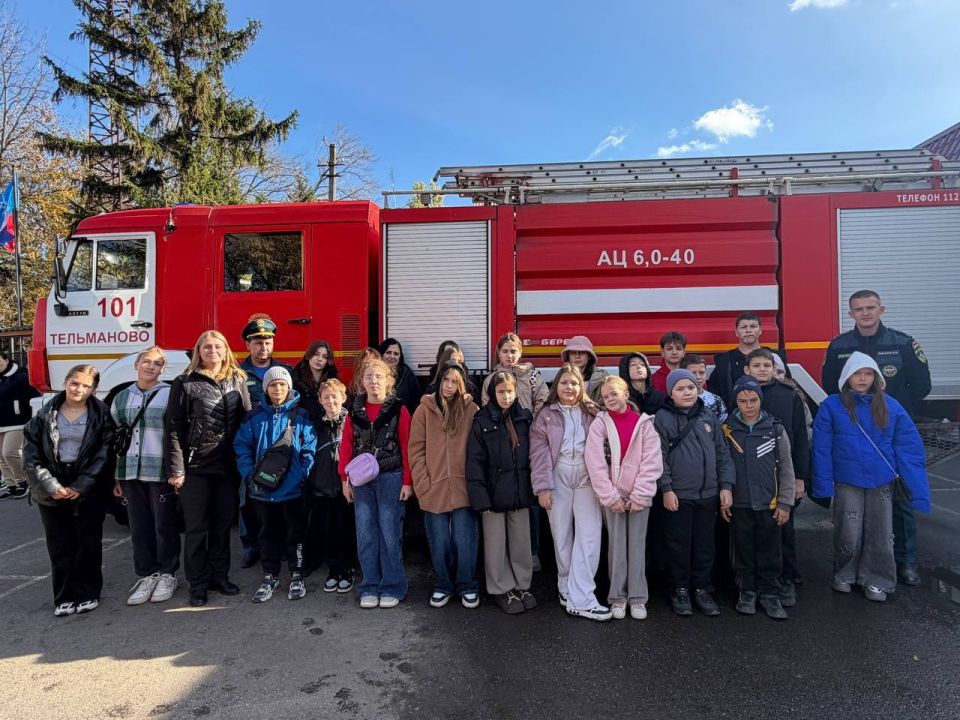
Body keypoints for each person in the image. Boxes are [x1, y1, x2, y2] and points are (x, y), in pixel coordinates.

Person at [821, 290, 931, 587]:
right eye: (859, 309)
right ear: (851, 313)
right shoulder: (839, 346)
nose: (865, 313)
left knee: (900, 495)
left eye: (870, 308)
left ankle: (905, 560)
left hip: (891, 432)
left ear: (881, 309)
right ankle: (855, 567)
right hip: (855, 434)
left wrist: (891, 414)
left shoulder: (903, 343)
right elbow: (831, 385)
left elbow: (922, 386)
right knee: (856, 508)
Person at [812, 352, 930, 602]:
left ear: (876, 377)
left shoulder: (890, 405)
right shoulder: (832, 405)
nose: (862, 379)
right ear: (847, 377)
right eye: (857, 373)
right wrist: (822, 484)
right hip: (847, 480)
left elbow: (907, 446)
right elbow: (821, 448)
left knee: (881, 532)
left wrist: (916, 486)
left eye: (868, 374)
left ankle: (877, 579)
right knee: (848, 530)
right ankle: (844, 573)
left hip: (881, 480)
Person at [166, 330, 251, 607]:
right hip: (196, 467)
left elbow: (247, 420)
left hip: (227, 468)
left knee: (222, 526)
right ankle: (197, 584)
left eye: (217, 346)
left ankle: (220, 576)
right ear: (198, 351)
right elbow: (175, 428)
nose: (212, 351)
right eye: (206, 346)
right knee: (196, 529)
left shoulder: (238, 380)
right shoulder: (185, 383)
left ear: (226, 350)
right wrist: (177, 469)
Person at [22, 365, 112, 617]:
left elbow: (105, 455)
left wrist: (80, 485)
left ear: (93, 389)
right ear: (66, 382)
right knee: (59, 544)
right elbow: (31, 457)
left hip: (87, 484)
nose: (79, 389)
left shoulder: (102, 415)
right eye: (75, 383)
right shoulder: (43, 415)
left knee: (88, 541)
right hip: (51, 481)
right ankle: (64, 596)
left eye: (85, 386)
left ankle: (88, 593)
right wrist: (51, 486)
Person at [655, 369, 735, 617]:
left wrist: (726, 485)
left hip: (708, 494)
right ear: (670, 392)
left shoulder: (708, 415)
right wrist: (666, 488)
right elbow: (659, 458)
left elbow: (722, 453)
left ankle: (702, 588)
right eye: (680, 389)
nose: (687, 392)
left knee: (704, 545)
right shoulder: (663, 418)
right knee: (678, 544)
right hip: (679, 494)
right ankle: (679, 588)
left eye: (690, 387)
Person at [530, 364, 607, 621]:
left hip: (587, 479)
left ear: (581, 386)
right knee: (561, 536)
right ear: (556, 386)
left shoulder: (594, 413)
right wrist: (542, 487)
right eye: (564, 383)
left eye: (574, 383)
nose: (569, 388)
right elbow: (538, 453)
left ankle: (582, 597)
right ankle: (565, 586)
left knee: (589, 537)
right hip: (558, 477)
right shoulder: (546, 415)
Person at [234, 366, 316, 603]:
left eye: (282, 384)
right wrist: (249, 474)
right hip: (262, 491)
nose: (277, 389)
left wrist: (301, 474)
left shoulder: (301, 416)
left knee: (295, 534)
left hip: (292, 490)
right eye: (272, 385)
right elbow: (241, 446)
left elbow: (309, 449)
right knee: (267, 534)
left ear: (289, 387)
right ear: (265, 388)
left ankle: (296, 574)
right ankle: (270, 575)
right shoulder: (254, 416)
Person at [585, 376, 663, 621]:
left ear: (626, 394)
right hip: (613, 497)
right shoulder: (600, 424)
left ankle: (638, 598)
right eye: (605, 397)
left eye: (613, 394)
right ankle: (617, 596)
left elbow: (652, 462)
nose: (609, 399)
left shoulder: (644, 423)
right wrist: (610, 496)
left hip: (639, 497)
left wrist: (641, 494)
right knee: (616, 547)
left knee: (637, 547)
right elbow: (595, 462)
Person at [339, 358, 413, 609]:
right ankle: (369, 585)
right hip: (361, 481)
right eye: (368, 377)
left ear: (388, 381)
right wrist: (344, 480)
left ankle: (393, 585)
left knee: (390, 534)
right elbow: (346, 446)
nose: (373, 382)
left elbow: (407, 447)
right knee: (366, 533)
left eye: (378, 377)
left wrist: (407, 481)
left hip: (391, 478)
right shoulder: (354, 411)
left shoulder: (399, 410)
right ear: (361, 382)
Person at [721, 376, 796, 620]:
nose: (748, 405)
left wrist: (785, 502)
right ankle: (747, 591)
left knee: (770, 549)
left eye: (753, 400)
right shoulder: (727, 430)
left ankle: (770, 592)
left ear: (760, 400)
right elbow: (722, 466)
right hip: (740, 503)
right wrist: (725, 495)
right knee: (742, 548)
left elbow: (786, 468)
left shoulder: (775, 429)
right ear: (736, 402)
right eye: (742, 401)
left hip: (769, 503)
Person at [409, 362, 480, 609]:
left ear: (461, 385)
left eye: (454, 382)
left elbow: (479, 449)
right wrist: (423, 484)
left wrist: (475, 482)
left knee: (465, 538)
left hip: (464, 487)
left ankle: (467, 585)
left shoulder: (471, 410)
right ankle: (443, 585)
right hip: (433, 486)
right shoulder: (424, 410)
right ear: (439, 381)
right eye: (445, 381)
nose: (449, 387)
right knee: (439, 541)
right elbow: (415, 450)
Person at [110, 347, 179, 606]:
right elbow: (115, 437)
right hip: (129, 470)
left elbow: (175, 435)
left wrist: (176, 470)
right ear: (136, 364)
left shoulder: (169, 394)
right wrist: (116, 476)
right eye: (146, 362)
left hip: (159, 470)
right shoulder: (121, 397)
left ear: (163, 369)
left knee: (164, 525)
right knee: (139, 526)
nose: (151, 367)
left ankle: (167, 573)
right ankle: (146, 574)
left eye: (157, 363)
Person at [743, 347, 811, 605]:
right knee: (754, 531)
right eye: (756, 365)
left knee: (783, 528)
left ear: (775, 369)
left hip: (783, 474)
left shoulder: (788, 396)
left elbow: (801, 438)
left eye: (767, 365)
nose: (762, 369)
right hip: (751, 475)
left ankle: (786, 579)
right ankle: (756, 581)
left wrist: (800, 477)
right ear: (746, 369)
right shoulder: (740, 396)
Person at [467, 371, 537, 614]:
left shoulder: (524, 417)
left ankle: (522, 584)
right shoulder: (482, 420)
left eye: (510, 391)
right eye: (501, 392)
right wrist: (480, 497)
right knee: (496, 545)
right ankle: (501, 588)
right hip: (493, 494)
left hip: (520, 491)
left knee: (521, 542)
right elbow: (474, 461)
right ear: (492, 394)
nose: (506, 396)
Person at [238, 314, 288, 570]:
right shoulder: (237, 373)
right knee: (248, 497)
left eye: (267, 341)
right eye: (257, 342)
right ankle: (251, 545)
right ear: (248, 345)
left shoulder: (284, 371)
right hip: (250, 444)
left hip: (278, 446)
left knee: (279, 495)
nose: (263, 347)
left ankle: (278, 545)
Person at [303, 378, 356, 592]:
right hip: (323, 487)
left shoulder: (352, 423)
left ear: (343, 398)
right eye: (326, 397)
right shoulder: (316, 426)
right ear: (320, 400)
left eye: (335, 396)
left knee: (347, 530)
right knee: (329, 531)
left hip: (346, 487)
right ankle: (333, 569)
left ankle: (348, 569)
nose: (331, 401)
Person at [0, 350, 39, 500]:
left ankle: (23, 481)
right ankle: (11, 485)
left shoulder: (22, 376)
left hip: (17, 422)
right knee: (1, 457)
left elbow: (34, 397)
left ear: (6, 359)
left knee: (9, 452)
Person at [480, 332, 549, 415]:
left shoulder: (533, 376)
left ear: (520, 352)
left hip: (528, 425)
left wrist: (533, 423)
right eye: (505, 351)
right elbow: (486, 406)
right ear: (499, 353)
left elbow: (543, 401)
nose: (509, 356)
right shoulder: (491, 379)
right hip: (500, 426)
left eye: (513, 351)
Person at [709, 312, 764, 408]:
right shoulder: (725, 361)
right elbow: (715, 394)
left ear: (760, 330)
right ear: (736, 332)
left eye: (753, 326)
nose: (748, 330)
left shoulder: (773, 357)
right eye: (743, 327)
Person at [291, 339, 340, 424]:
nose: (320, 359)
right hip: (302, 427)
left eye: (325, 357)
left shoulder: (335, 382)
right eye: (316, 354)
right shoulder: (294, 380)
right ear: (309, 355)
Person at [379, 338, 421, 414]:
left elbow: (416, 402)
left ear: (400, 357)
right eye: (388, 352)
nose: (392, 356)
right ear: (381, 354)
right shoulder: (374, 373)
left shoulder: (407, 374)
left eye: (396, 354)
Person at [560, 336, 608, 403]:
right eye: (573, 353)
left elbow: (606, 405)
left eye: (581, 352)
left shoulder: (602, 377)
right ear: (568, 357)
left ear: (589, 356)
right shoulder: (560, 377)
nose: (577, 356)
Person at [680, 354, 727, 422]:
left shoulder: (716, 400)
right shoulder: (677, 400)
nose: (698, 377)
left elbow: (723, 425)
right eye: (693, 373)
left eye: (701, 373)